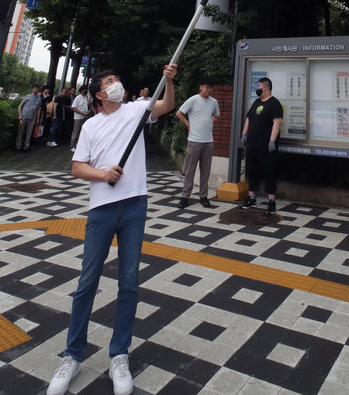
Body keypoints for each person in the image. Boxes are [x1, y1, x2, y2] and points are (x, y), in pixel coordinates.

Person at [47, 64, 177, 395]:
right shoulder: (91, 126)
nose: (117, 83)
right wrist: (103, 174)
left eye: (117, 78)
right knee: (87, 281)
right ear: (100, 94)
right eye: (110, 82)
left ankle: (119, 354)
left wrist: (170, 82)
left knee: (129, 283)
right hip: (102, 209)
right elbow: (77, 167)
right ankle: (73, 354)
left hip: (135, 205)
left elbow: (166, 106)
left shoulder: (136, 110)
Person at [240, 77, 283, 216]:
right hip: (252, 144)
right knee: (252, 171)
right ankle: (252, 197)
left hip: (266, 146)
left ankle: (271, 201)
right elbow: (249, 118)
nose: (257, 88)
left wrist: (272, 141)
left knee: (269, 172)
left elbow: (277, 123)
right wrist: (244, 133)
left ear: (265, 87)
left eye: (258, 86)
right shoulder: (256, 102)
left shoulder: (274, 103)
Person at [176, 76, 220, 209]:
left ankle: (203, 196)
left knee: (205, 171)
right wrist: (189, 125)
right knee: (190, 170)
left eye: (210, 87)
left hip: (208, 141)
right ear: (200, 87)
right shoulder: (193, 100)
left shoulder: (213, 102)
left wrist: (209, 124)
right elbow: (179, 113)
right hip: (194, 140)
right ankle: (185, 197)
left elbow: (216, 115)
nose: (208, 89)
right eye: (206, 87)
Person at [15, 85, 42, 151]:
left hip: (33, 117)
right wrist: (20, 115)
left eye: (37, 88)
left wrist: (38, 118)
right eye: (34, 88)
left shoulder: (39, 98)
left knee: (29, 133)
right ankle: (18, 146)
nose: (36, 90)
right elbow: (20, 105)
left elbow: (39, 108)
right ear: (32, 89)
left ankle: (26, 147)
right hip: (24, 116)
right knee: (20, 132)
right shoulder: (28, 96)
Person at [70, 86, 90, 151]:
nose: (85, 91)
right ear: (81, 90)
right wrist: (82, 113)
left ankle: (77, 145)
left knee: (81, 132)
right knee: (75, 132)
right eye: (84, 90)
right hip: (78, 117)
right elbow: (74, 108)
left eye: (86, 89)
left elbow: (89, 104)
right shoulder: (78, 98)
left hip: (85, 117)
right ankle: (72, 145)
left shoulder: (86, 97)